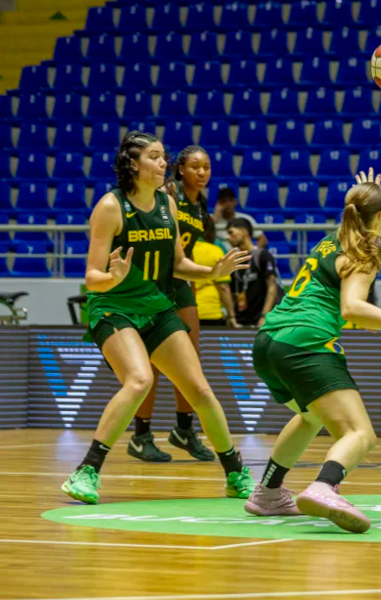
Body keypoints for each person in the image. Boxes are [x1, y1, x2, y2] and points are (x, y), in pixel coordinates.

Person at [243, 170, 381, 531]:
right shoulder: (367, 249)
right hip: (305, 343)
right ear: (380, 217)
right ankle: (325, 486)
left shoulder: (333, 239)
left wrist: (366, 191)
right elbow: (352, 308)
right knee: (361, 434)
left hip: (269, 341)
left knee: (310, 416)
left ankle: (268, 491)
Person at [62, 131, 255, 505]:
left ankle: (235, 474)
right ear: (133, 164)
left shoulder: (168, 202)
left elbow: (179, 264)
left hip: (157, 305)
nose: (163, 162)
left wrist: (213, 273)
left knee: (198, 389)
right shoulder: (110, 207)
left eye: (164, 156)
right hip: (114, 307)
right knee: (138, 380)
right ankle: (86, 471)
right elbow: (91, 278)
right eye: (154, 156)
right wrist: (113, 277)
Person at [126, 145, 219, 463]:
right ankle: (141, 435)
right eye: (195, 167)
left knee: (191, 362)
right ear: (181, 170)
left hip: (180, 285)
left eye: (206, 167)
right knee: (150, 365)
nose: (202, 173)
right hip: (153, 284)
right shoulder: (168, 194)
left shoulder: (201, 205)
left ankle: (183, 430)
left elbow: (186, 255)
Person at [228, 217, 279, 328]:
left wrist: (264, 316)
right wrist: (231, 316)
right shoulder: (233, 260)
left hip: (260, 321)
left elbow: (272, 287)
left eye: (231, 233)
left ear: (243, 231)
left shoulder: (262, 256)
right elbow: (232, 293)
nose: (229, 238)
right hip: (240, 322)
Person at [192, 216, 237, 327]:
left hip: (185, 311)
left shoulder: (181, 252)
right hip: (210, 313)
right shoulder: (215, 251)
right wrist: (231, 315)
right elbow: (223, 288)